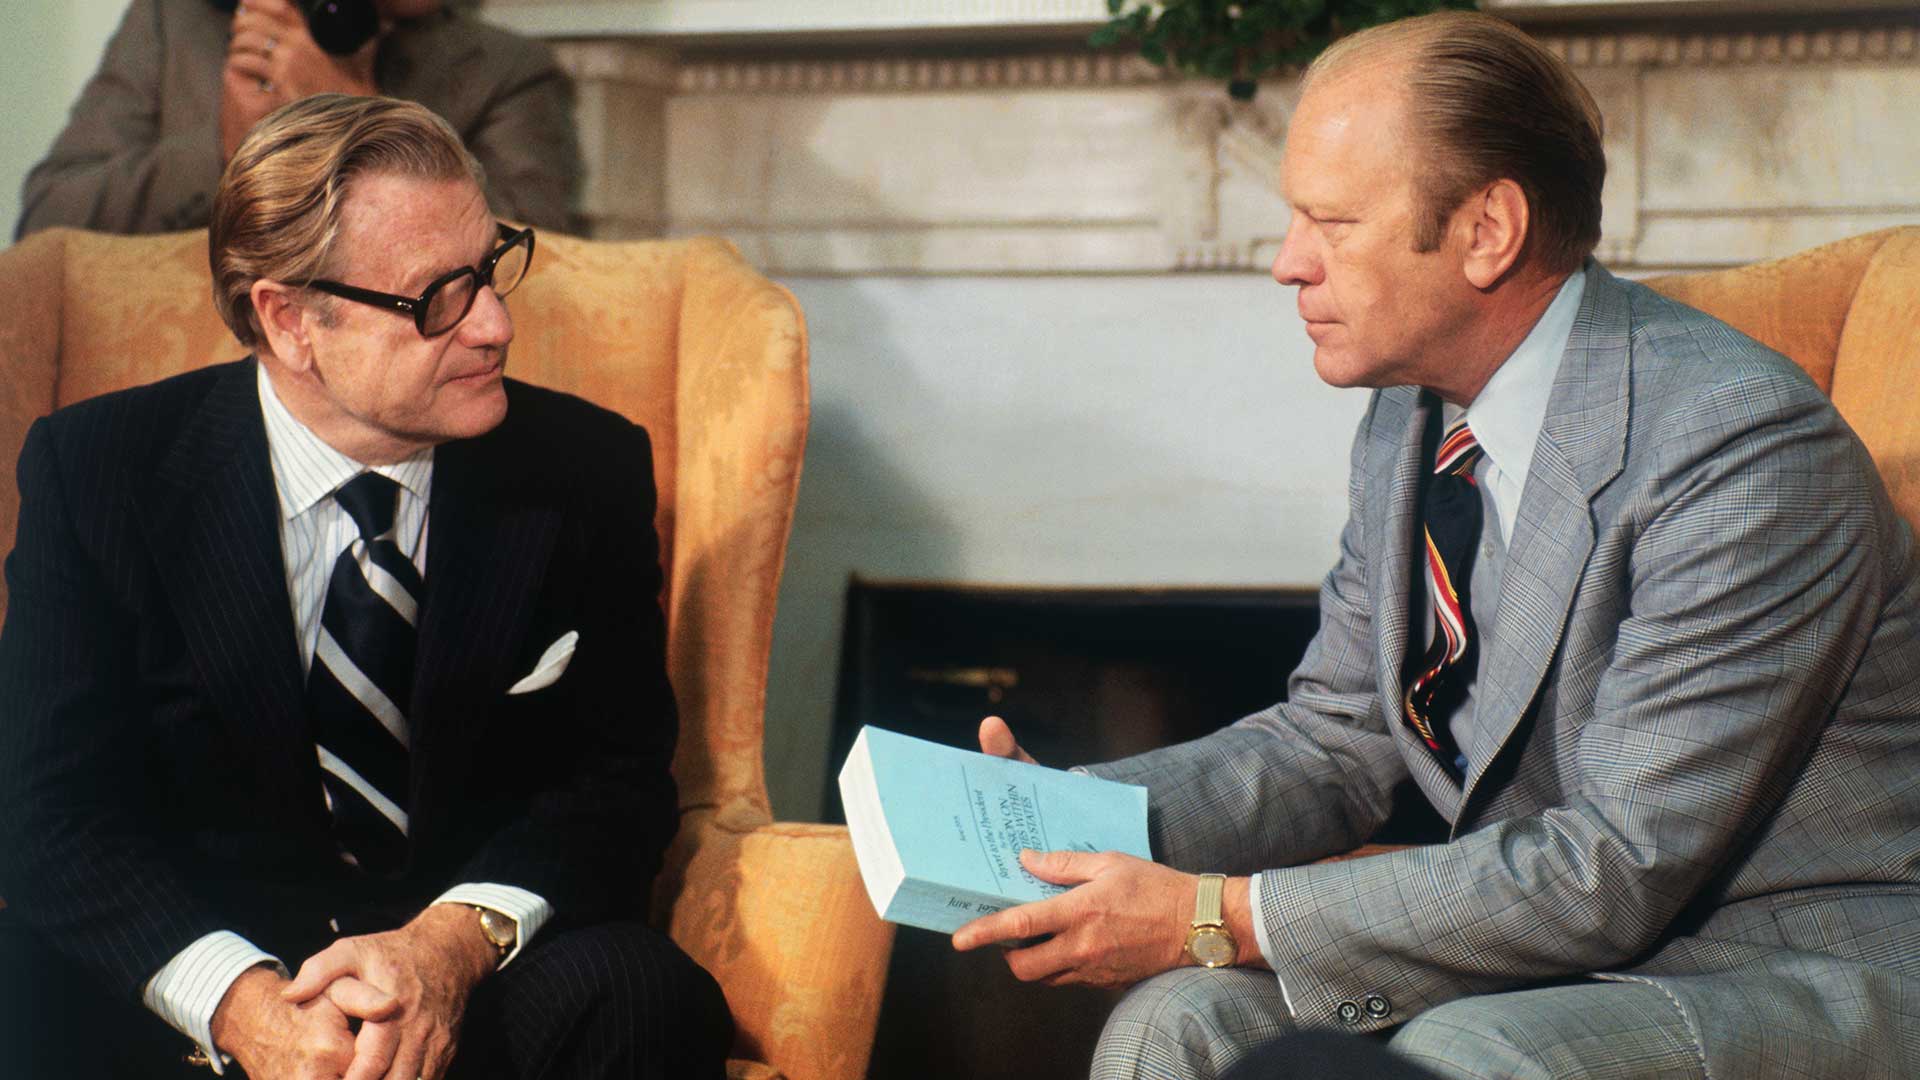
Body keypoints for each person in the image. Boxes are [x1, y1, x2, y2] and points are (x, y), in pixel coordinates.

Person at [951, 11, 1920, 1080]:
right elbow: (1333, 742)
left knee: (1466, 1052)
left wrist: (1212, 913)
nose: (1286, 265)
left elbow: (1615, 865)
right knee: (1176, 1021)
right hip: (1557, 954)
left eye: (1333, 221)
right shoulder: (1412, 421)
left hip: (1773, 960)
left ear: (1487, 230)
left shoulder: (1739, 449)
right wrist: (1071, 825)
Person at [0, 94, 728, 1079]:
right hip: (195, 981)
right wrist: (245, 1009)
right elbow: (50, 809)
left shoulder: (582, 470)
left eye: (490, 269)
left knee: (647, 994)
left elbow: (617, 779)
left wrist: (450, 948)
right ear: (291, 319)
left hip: (462, 978)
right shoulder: (101, 473)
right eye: (438, 298)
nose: (496, 325)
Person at [16, 0, 577, 239]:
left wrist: (361, 117)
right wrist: (222, 149)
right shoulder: (177, 22)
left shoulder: (508, 70)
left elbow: (538, 265)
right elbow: (48, 223)